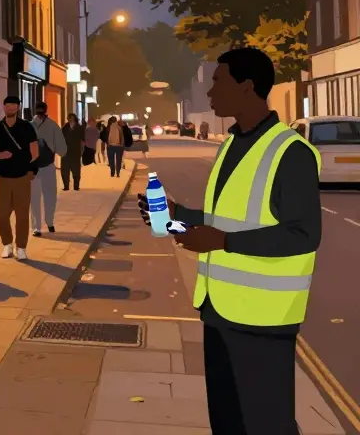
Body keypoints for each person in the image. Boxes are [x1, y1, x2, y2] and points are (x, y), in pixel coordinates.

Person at [137, 47, 321, 434]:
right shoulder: (231, 144)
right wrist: (178, 216)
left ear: (247, 87)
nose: (209, 92)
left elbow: (303, 234)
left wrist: (222, 242)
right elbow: (226, 218)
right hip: (218, 310)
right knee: (227, 421)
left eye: (218, 81)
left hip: (264, 319)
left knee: (267, 423)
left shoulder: (291, 153)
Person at [0, 95, 39, 260]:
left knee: (22, 215)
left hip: (22, 177)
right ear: (3, 108)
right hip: (2, 177)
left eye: (13, 105)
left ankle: (22, 247)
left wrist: (32, 171)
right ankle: (7, 244)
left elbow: (34, 151)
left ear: (18, 108)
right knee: (2, 215)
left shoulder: (26, 127)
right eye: (7, 105)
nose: (10, 108)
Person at [28, 102, 67, 237]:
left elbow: (62, 147)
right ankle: (42, 225)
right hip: (39, 167)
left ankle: (43, 224)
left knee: (42, 197)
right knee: (42, 197)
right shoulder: (51, 125)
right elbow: (62, 148)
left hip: (42, 166)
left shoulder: (32, 126)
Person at [61, 113, 85, 192]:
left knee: (76, 170)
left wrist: (82, 150)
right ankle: (66, 186)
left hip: (75, 151)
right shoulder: (65, 127)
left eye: (71, 118)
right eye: (69, 118)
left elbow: (83, 140)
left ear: (74, 119)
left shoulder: (79, 128)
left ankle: (76, 186)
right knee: (64, 169)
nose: (70, 120)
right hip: (65, 152)